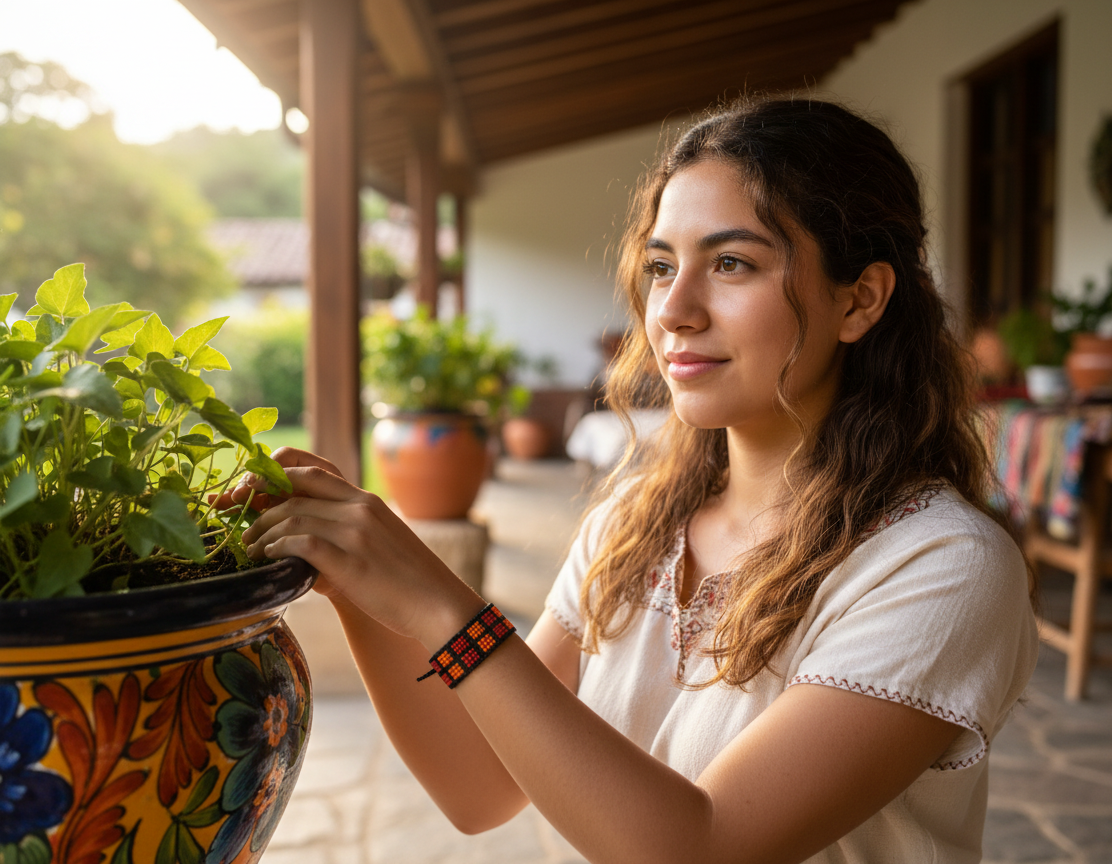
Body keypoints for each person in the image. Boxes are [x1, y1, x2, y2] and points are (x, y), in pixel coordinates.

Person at [231, 96, 1038, 863]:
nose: (673, 311)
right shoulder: (638, 520)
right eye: (660, 265)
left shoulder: (939, 567)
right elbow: (479, 786)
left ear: (859, 300)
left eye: (730, 263)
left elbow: (703, 847)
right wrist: (357, 576)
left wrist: (444, 607)